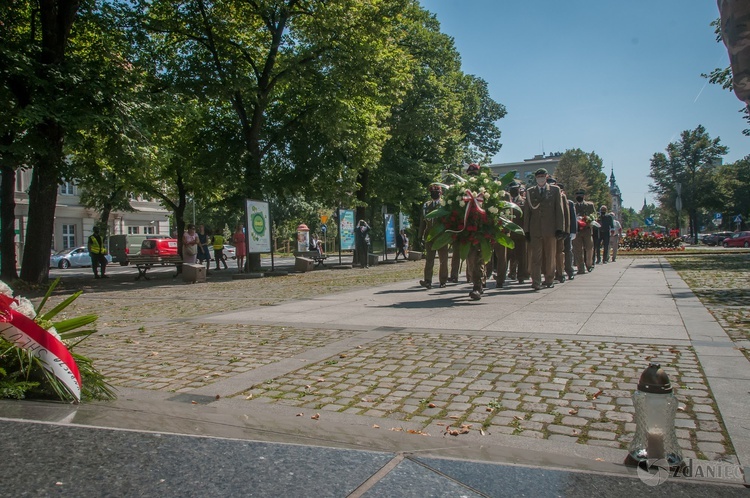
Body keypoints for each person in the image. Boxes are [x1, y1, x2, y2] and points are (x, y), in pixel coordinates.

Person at [522, 168, 564, 291]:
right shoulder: (530, 192)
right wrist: (527, 230)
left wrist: (559, 228)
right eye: (538, 176)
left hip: (550, 229)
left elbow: (559, 211)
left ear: (546, 177)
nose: (540, 178)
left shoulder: (555, 190)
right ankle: (536, 281)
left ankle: (549, 279)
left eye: (542, 176)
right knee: (535, 257)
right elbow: (527, 213)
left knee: (550, 256)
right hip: (535, 229)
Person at [419, 184, 449, 288]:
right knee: (429, 259)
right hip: (429, 236)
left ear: (441, 193)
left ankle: (443, 280)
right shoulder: (426, 205)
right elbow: (422, 221)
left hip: (441, 236)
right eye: (432, 192)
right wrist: (420, 236)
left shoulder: (444, 204)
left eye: (436, 192)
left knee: (443, 260)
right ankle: (427, 281)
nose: (434, 194)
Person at [547, 178, 570, 284]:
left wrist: (566, 230)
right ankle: (549, 275)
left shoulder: (562, 196)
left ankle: (560, 273)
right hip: (547, 230)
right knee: (548, 254)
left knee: (559, 253)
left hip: (558, 229)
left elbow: (566, 213)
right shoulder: (544, 196)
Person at [507, 182, 528, 284]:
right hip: (508, 233)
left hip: (520, 233)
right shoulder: (506, 201)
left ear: (519, 189)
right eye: (512, 189)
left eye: (515, 189)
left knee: (521, 256)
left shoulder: (524, 201)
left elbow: (527, 217)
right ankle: (509, 273)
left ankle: (521, 276)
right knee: (508, 256)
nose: (513, 191)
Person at [572, 189, 596, 274]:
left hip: (587, 230)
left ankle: (589, 265)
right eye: (577, 195)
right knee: (577, 250)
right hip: (577, 231)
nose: (579, 196)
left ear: (584, 196)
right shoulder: (572, 206)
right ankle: (580, 268)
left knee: (589, 248)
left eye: (581, 195)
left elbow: (594, 216)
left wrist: (588, 220)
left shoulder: (589, 205)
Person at [559, 183, 578, 281]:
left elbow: (573, 218)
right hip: (557, 231)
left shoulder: (569, 203)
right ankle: (558, 272)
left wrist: (573, 231)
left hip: (567, 231)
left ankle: (569, 271)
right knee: (557, 252)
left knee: (568, 251)